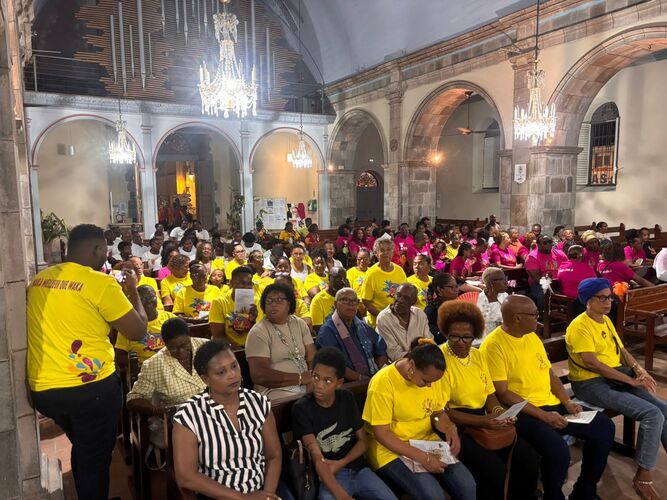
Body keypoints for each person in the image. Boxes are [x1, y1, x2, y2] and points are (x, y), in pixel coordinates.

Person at [27, 224, 148, 500]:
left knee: (85, 448)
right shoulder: (101, 283)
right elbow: (138, 331)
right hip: (90, 391)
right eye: (104, 251)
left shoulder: (40, 279)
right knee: (95, 459)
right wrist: (132, 291)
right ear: (98, 249)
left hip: (44, 390)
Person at [480, 295, 615, 500]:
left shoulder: (532, 337)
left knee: (604, 427)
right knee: (558, 451)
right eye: (534, 314)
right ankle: (553, 496)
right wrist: (544, 416)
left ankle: (584, 491)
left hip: (551, 405)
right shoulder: (494, 345)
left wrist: (567, 401)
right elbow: (504, 394)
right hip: (523, 413)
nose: (539, 317)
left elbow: (550, 375)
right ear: (517, 318)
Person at [566, 278, 667, 500]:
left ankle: (646, 462)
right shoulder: (580, 326)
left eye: (609, 297)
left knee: (663, 409)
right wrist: (630, 381)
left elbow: (622, 349)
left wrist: (639, 370)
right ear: (588, 301)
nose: (608, 302)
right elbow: (593, 363)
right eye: (602, 298)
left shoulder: (605, 320)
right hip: (590, 383)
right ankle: (643, 476)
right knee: (652, 414)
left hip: (615, 376)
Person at [438, 301, 540, 500]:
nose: (460, 342)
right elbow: (443, 411)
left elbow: (489, 395)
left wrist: (500, 413)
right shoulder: (440, 359)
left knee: (529, 457)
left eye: (467, 337)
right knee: (493, 470)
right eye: (454, 336)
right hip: (456, 425)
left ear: (475, 335)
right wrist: (483, 421)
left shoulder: (477, 356)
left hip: (483, 419)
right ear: (445, 333)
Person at [173, 340, 291, 500]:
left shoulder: (258, 403)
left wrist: (268, 495)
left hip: (263, 489)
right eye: (221, 372)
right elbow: (186, 477)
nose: (232, 375)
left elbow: (274, 455)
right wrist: (242, 498)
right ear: (205, 379)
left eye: (234, 366)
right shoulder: (189, 415)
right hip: (218, 496)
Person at [362, 339, 476, 500]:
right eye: (425, 381)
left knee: (467, 484)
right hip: (390, 450)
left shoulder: (432, 378)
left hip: (425, 441)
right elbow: (382, 434)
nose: (429, 386)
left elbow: (436, 412)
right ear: (412, 366)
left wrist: (450, 428)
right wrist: (424, 458)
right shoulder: (383, 383)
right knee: (433, 495)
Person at [292, 348, 397, 500]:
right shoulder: (302, 408)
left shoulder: (346, 398)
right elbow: (316, 455)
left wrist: (341, 463)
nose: (319, 385)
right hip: (328, 475)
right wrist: (342, 496)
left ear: (339, 383)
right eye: (315, 377)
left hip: (358, 469)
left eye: (327, 381)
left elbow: (363, 441)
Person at [246, 283, 316, 401]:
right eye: (269, 301)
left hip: (306, 382)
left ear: (289, 304)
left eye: (278, 300)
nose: (273, 304)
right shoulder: (258, 332)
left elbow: (312, 357)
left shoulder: (299, 324)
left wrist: (312, 379)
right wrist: (299, 379)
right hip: (275, 389)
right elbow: (259, 374)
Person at [127, 317, 209, 416]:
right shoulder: (154, 364)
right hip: (182, 417)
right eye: (173, 348)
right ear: (165, 344)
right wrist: (158, 411)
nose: (181, 351)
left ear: (189, 337)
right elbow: (134, 399)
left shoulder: (206, 347)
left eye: (184, 345)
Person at [316, 288, 389, 381]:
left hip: (372, 378)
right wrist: (359, 378)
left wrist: (382, 370)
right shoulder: (328, 330)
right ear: (335, 304)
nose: (350, 304)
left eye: (354, 301)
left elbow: (380, 349)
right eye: (345, 300)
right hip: (346, 383)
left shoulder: (362, 326)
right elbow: (333, 364)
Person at [115, 285, 174, 365]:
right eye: (142, 299)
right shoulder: (128, 325)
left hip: (169, 364)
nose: (148, 301)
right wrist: (137, 364)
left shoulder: (170, 318)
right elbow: (120, 355)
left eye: (151, 297)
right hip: (142, 367)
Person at [209, 266, 262, 346]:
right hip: (227, 348)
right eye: (242, 283)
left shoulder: (257, 302)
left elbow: (260, 334)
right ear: (231, 282)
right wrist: (236, 350)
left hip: (251, 347)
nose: (246, 287)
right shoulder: (219, 302)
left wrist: (252, 321)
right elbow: (218, 336)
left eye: (249, 283)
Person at [376, 283, 432, 361]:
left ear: (413, 301)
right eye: (398, 295)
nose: (400, 300)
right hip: (397, 363)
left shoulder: (420, 314)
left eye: (406, 298)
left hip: (423, 359)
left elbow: (428, 341)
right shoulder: (383, 318)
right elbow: (394, 353)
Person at [361, 239, 408, 327]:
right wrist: (383, 317)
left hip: (398, 320)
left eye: (389, 250)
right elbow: (366, 301)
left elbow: (405, 294)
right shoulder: (371, 274)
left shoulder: (400, 271)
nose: (386, 253)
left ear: (393, 252)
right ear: (376, 253)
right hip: (378, 322)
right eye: (382, 250)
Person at [525, 234, 567, 311]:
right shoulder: (532, 257)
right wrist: (551, 285)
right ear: (538, 245)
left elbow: (567, 268)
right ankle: (544, 316)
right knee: (544, 296)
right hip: (540, 284)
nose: (548, 244)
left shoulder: (559, 253)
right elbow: (536, 278)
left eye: (550, 241)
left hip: (559, 282)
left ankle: (568, 314)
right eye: (545, 242)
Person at [475, 267, 509, 343]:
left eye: (506, 278)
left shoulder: (505, 296)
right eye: (502, 279)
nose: (506, 282)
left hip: (504, 337)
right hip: (484, 340)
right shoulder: (478, 301)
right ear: (491, 283)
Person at [311, 267, 349, 332]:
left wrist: (349, 292)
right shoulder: (318, 300)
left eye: (343, 279)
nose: (340, 282)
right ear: (329, 278)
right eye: (337, 278)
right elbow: (318, 329)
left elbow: (357, 319)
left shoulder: (346, 297)